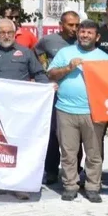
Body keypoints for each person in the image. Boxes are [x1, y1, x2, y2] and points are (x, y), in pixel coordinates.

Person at [0, 18, 50, 200]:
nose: (6, 36)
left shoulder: (25, 53)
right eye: (2, 32)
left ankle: (19, 185)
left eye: (9, 32)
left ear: (14, 34)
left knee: (18, 146)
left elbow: (39, 74)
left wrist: (48, 88)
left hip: (19, 111)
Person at [46, 20, 108, 203]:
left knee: (94, 152)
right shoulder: (65, 53)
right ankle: (70, 185)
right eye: (82, 32)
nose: (85, 35)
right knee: (68, 152)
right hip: (65, 109)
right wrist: (68, 68)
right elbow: (50, 74)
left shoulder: (105, 58)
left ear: (97, 37)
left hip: (94, 112)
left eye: (89, 33)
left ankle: (92, 186)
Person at [34, 11, 80, 186]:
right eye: (70, 25)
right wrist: (43, 69)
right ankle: (51, 170)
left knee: (77, 136)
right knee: (53, 133)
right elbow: (36, 51)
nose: (74, 29)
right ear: (61, 25)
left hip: (75, 97)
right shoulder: (49, 40)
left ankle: (76, 170)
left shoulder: (81, 41)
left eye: (77, 25)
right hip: (54, 93)